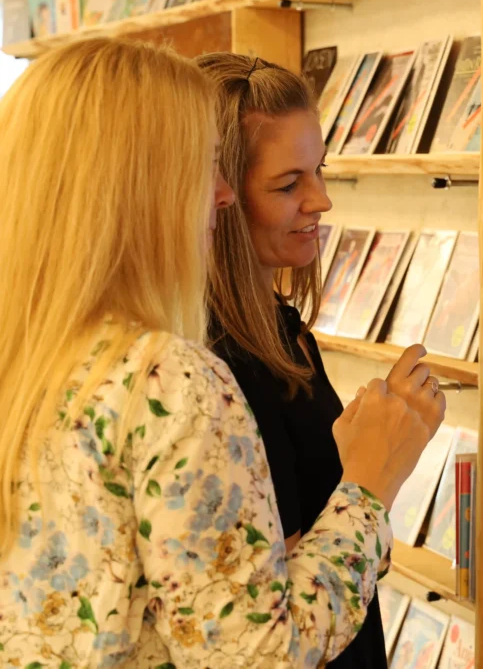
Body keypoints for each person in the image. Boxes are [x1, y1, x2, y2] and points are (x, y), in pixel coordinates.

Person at [0, 39, 443, 667]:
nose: (221, 194)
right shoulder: (170, 378)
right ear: (134, 189)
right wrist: (369, 484)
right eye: (202, 166)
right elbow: (260, 649)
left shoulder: (41, 351)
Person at [195, 53, 438, 669]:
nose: (322, 200)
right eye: (287, 184)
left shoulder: (282, 326)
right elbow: (250, 602)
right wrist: (372, 480)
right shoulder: (204, 365)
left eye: (320, 171)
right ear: (217, 196)